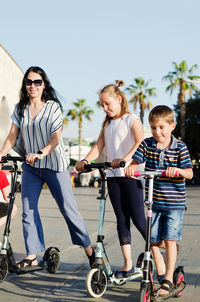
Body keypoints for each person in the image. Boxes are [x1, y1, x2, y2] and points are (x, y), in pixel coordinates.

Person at [0, 66, 95, 268]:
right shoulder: (20, 108)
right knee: (28, 210)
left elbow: (56, 137)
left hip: (54, 165)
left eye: (37, 82)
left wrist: (41, 152)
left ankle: (90, 250)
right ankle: (32, 255)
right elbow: (12, 135)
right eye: (29, 82)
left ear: (44, 85)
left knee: (69, 211)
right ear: (25, 85)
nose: (33, 86)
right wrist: (0, 154)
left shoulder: (52, 107)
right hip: (31, 168)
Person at [76, 80, 146, 277]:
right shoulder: (106, 124)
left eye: (108, 104)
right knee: (121, 219)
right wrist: (84, 161)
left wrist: (126, 158)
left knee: (139, 220)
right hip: (113, 176)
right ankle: (128, 264)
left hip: (131, 175)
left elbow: (141, 141)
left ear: (119, 99)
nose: (105, 108)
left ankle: (159, 252)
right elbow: (99, 146)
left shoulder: (132, 119)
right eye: (102, 105)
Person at [125, 105, 193, 297]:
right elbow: (136, 161)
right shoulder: (147, 144)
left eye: (162, 127)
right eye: (154, 127)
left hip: (174, 204)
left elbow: (189, 173)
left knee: (169, 240)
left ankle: (168, 278)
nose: (157, 132)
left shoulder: (180, 147)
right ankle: (163, 270)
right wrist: (133, 167)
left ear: (172, 126)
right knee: (153, 240)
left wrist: (177, 171)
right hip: (153, 203)